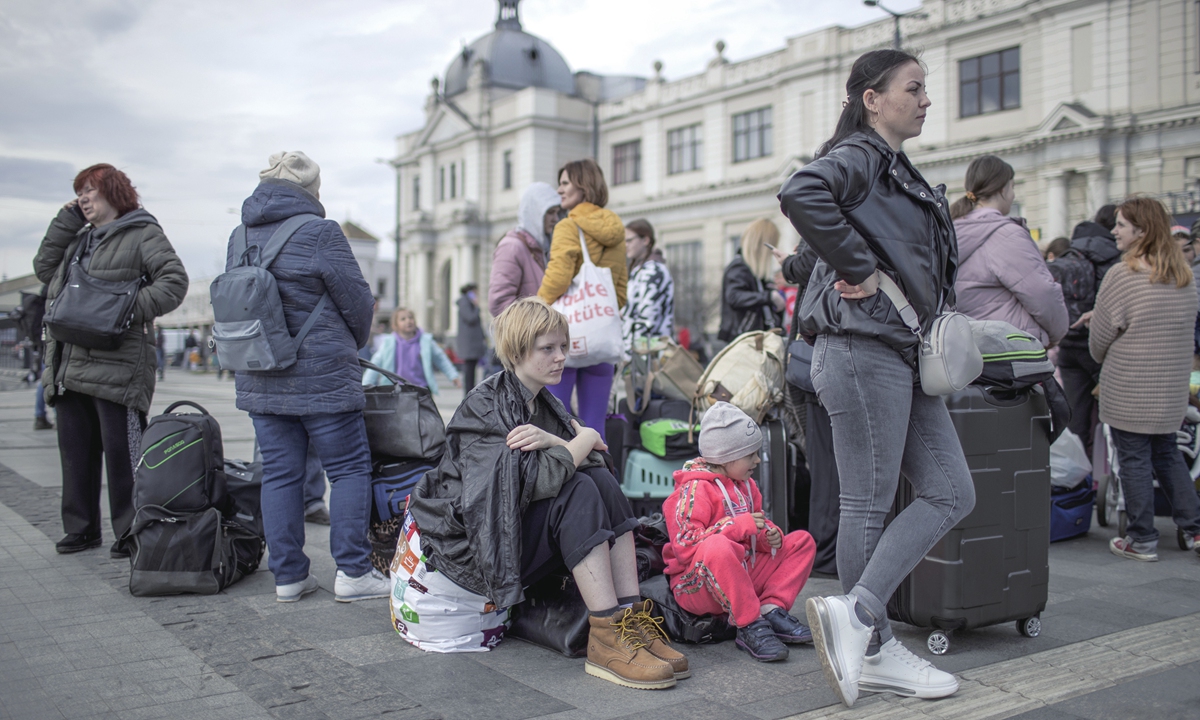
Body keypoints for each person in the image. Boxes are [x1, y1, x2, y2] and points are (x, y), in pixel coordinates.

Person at [778, 49, 974, 707]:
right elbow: (801, 193)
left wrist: (854, 266)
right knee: (868, 499)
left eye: (925, 88)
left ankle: (859, 615)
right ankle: (876, 643)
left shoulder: (888, 166)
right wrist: (859, 268)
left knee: (952, 490)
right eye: (913, 88)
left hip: (899, 352)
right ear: (871, 97)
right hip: (864, 351)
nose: (925, 98)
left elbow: (806, 254)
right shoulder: (863, 156)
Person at [408, 297, 687, 688]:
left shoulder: (543, 402)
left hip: (509, 535)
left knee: (601, 484)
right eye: (548, 349)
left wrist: (556, 439)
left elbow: (599, 465)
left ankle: (629, 618)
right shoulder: (486, 407)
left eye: (562, 347)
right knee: (578, 493)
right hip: (474, 553)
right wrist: (584, 436)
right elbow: (531, 484)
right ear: (519, 350)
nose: (561, 357)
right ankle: (606, 636)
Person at [229, 151, 381, 603]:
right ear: (312, 192)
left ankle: (289, 577)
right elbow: (358, 302)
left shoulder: (239, 236)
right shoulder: (320, 231)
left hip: (260, 373)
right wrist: (344, 345)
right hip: (323, 377)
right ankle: (354, 573)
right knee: (349, 468)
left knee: (279, 474)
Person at [34, 163, 188, 557]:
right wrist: (64, 222)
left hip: (119, 369)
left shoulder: (142, 232)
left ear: (113, 193)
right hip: (70, 363)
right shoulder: (79, 239)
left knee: (125, 461)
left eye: (91, 191)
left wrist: (122, 310)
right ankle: (81, 528)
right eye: (79, 192)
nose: (83, 198)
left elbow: (174, 282)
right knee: (75, 456)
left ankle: (131, 531)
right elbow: (45, 271)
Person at [1088, 198, 1200, 561]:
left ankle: (1141, 539)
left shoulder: (1124, 274)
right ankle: (1196, 529)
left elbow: (1100, 339)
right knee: (1167, 454)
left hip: (1130, 384)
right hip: (1170, 387)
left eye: (1121, 224)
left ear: (1141, 230)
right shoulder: (1184, 276)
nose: (1115, 231)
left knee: (1133, 458)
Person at [663, 402, 816, 663]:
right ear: (726, 457)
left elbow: (756, 524)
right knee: (717, 547)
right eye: (751, 455)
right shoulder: (693, 490)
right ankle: (749, 624)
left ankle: (770, 609)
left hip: (741, 572)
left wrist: (770, 537)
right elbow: (685, 545)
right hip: (697, 585)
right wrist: (737, 526)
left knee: (802, 541)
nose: (757, 460)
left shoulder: (747, 484)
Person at [537, 159, 627, 442]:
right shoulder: (615, 228)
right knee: (595, 427)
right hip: (599, 337)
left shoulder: (568, 226)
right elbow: (619, 290)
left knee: (555, 422)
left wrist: (537, 306)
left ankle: (564, 484)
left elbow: (558, 277)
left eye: (565, 183)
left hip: (565, 339)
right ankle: (603, 484)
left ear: (582, 185)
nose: (559, 189)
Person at [950, 155, 1068, 347]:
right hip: (1010, 347)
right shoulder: (1005, 235)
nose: (1013, 196)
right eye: (1012, 187)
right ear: (1003, 189)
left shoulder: (953, 231)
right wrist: (1057, 333)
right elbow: (1042, 292)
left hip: (967, 349)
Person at [776, 240, 840, 578]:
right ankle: (827, 553)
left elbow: (810, 265)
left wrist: (789, 263)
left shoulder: (825, 216)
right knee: (831, 466)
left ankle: (825, 555)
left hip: (821, 351)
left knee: (826, 466)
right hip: (829, 352)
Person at [1048, 205, 1121, 456]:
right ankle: (1109, 476)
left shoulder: (1074, 249)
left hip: (1068, 343)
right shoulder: (1116, 255)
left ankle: (1078, 481)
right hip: (1101, 347)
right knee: (1116, 422)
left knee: (1076, 417)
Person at [489, 182, 562, 317]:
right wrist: (534, 328)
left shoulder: (541, 248)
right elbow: (499, 304)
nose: (555, 219)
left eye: (557, 213)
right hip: (528, 337)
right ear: (535, 212)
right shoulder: (511, 247)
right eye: (550, 213)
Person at [717, 219, 785, 344]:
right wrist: (769, 296)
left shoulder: (753, 272)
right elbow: (734, 297)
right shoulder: (740, 267)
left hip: (749, 339)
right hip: (743, 341)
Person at [362, 307, 460, 393]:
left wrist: (453, 376)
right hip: (396, 389)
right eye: (403, 319)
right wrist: (365, 384)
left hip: (421, 389)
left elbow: (440, 358)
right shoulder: (389, 343)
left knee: (423, 414)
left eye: (411, 318)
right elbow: (376, 363)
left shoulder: (425, 341)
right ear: (395, 325)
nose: (408, 321)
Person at [622, 218, 674, 352]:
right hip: (641, 351)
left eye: (629, 240)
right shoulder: (640, 270)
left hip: (647, 353)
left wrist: (629, 352)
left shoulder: (653, 271)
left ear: (645, 240)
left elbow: (647, 319)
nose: (625, 245)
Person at [456, 284, 487, 394]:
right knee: (469, 371)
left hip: (473, 343)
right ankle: (468, 394)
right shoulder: (465, 303)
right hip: (469, 344)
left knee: (472, 370)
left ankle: (470, 392)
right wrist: (477, 307)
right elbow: (470, 318)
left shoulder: (468, 303)